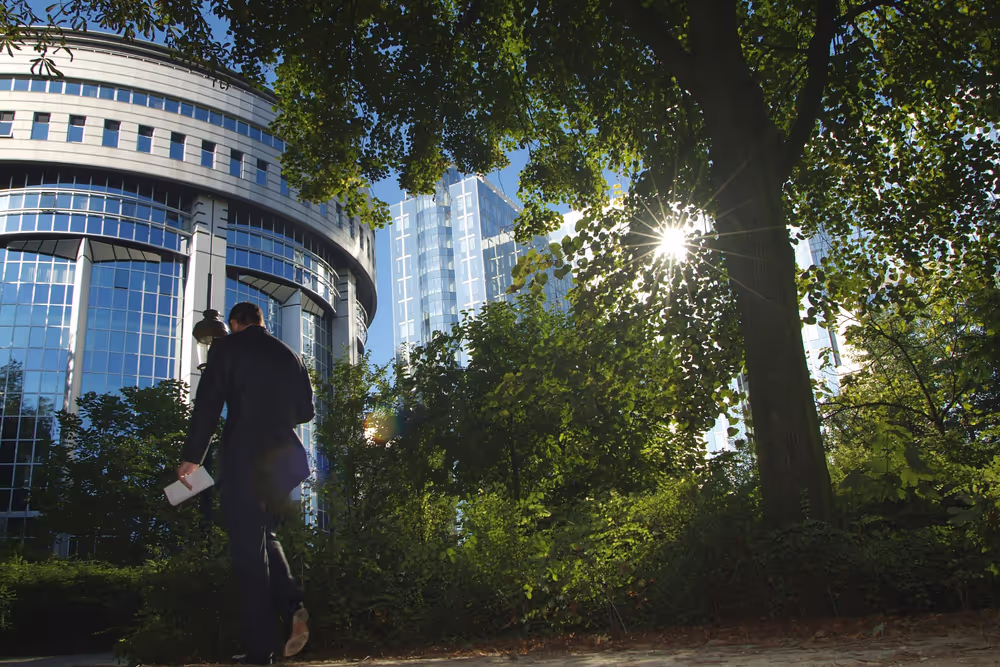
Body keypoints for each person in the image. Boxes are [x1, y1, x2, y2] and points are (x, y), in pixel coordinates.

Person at [177, 302, 314, 664]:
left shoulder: (227, 348)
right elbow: (305, 412)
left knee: (248, 554)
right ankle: (293, 604)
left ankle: (261, 652)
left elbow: (208, 404)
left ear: (235, 324)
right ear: (262, 322)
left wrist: (192, 457)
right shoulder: (291, 355)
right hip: (285, 462)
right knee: (263, 536)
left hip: (245, 461)